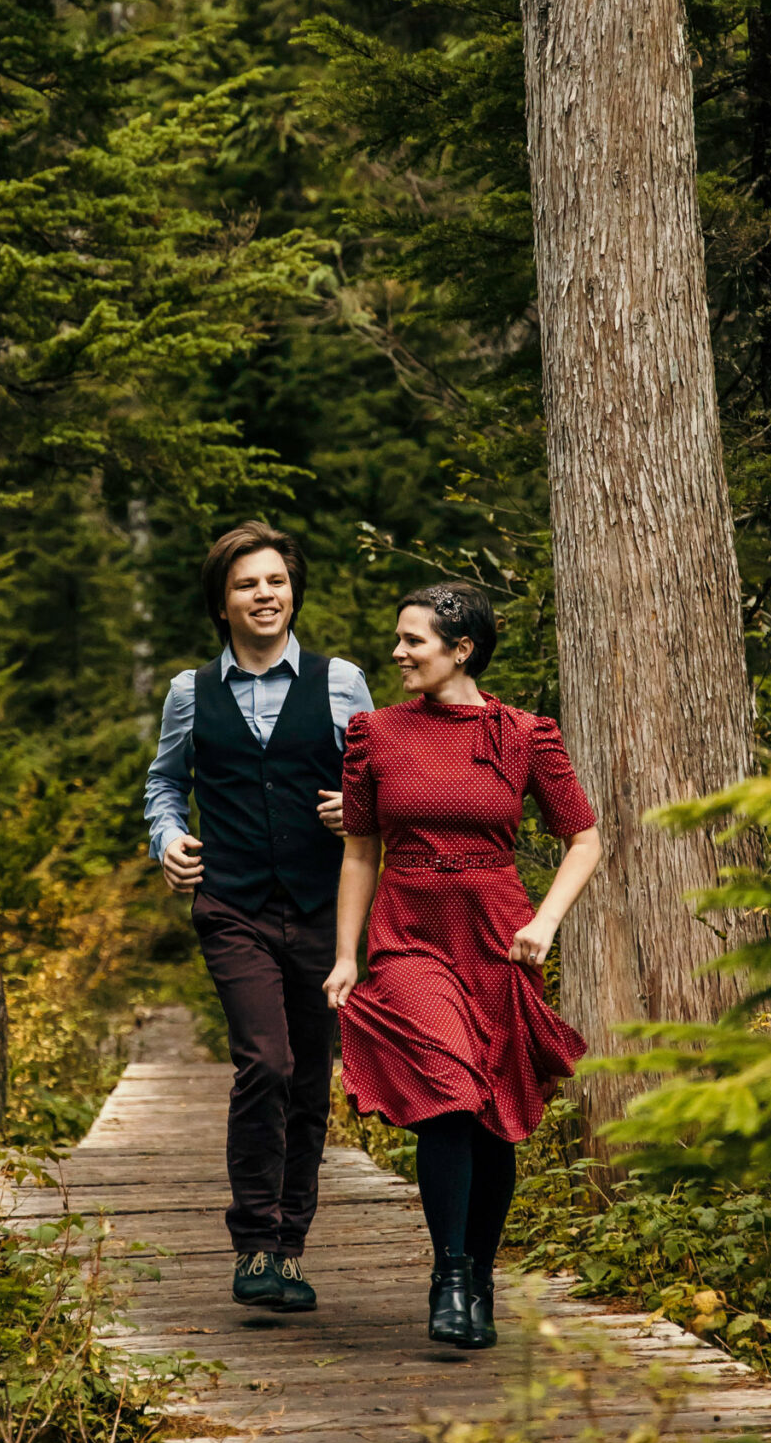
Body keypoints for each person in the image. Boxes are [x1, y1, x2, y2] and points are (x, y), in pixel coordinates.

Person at [327, 584, 602, 1350]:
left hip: (497, 939)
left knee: (493, 1119)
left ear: (460, 650)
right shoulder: (374, 734)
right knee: (448, 1091)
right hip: (408, 935)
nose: (397, 653)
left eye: (412, 640)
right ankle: (449, 1275)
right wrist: (346, 955)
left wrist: (544, 921)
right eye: (398, 638)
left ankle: (479, 1279)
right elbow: (359, 851)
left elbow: (584, 837)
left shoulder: (523, 735)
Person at [145, 522, 374, 1313]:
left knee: (310, 1080)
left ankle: (288, 1250)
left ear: (292, 591)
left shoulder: (341, 682)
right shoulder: (188, 692)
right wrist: (168, 839)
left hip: (323, 910)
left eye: (274, 581)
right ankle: (252, 1244)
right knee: (265, 1063)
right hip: (234, 904)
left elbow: (376, 785)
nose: (264, 594)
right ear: (221, 604)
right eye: (246, 584)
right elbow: (164, 784)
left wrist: (358, 808)